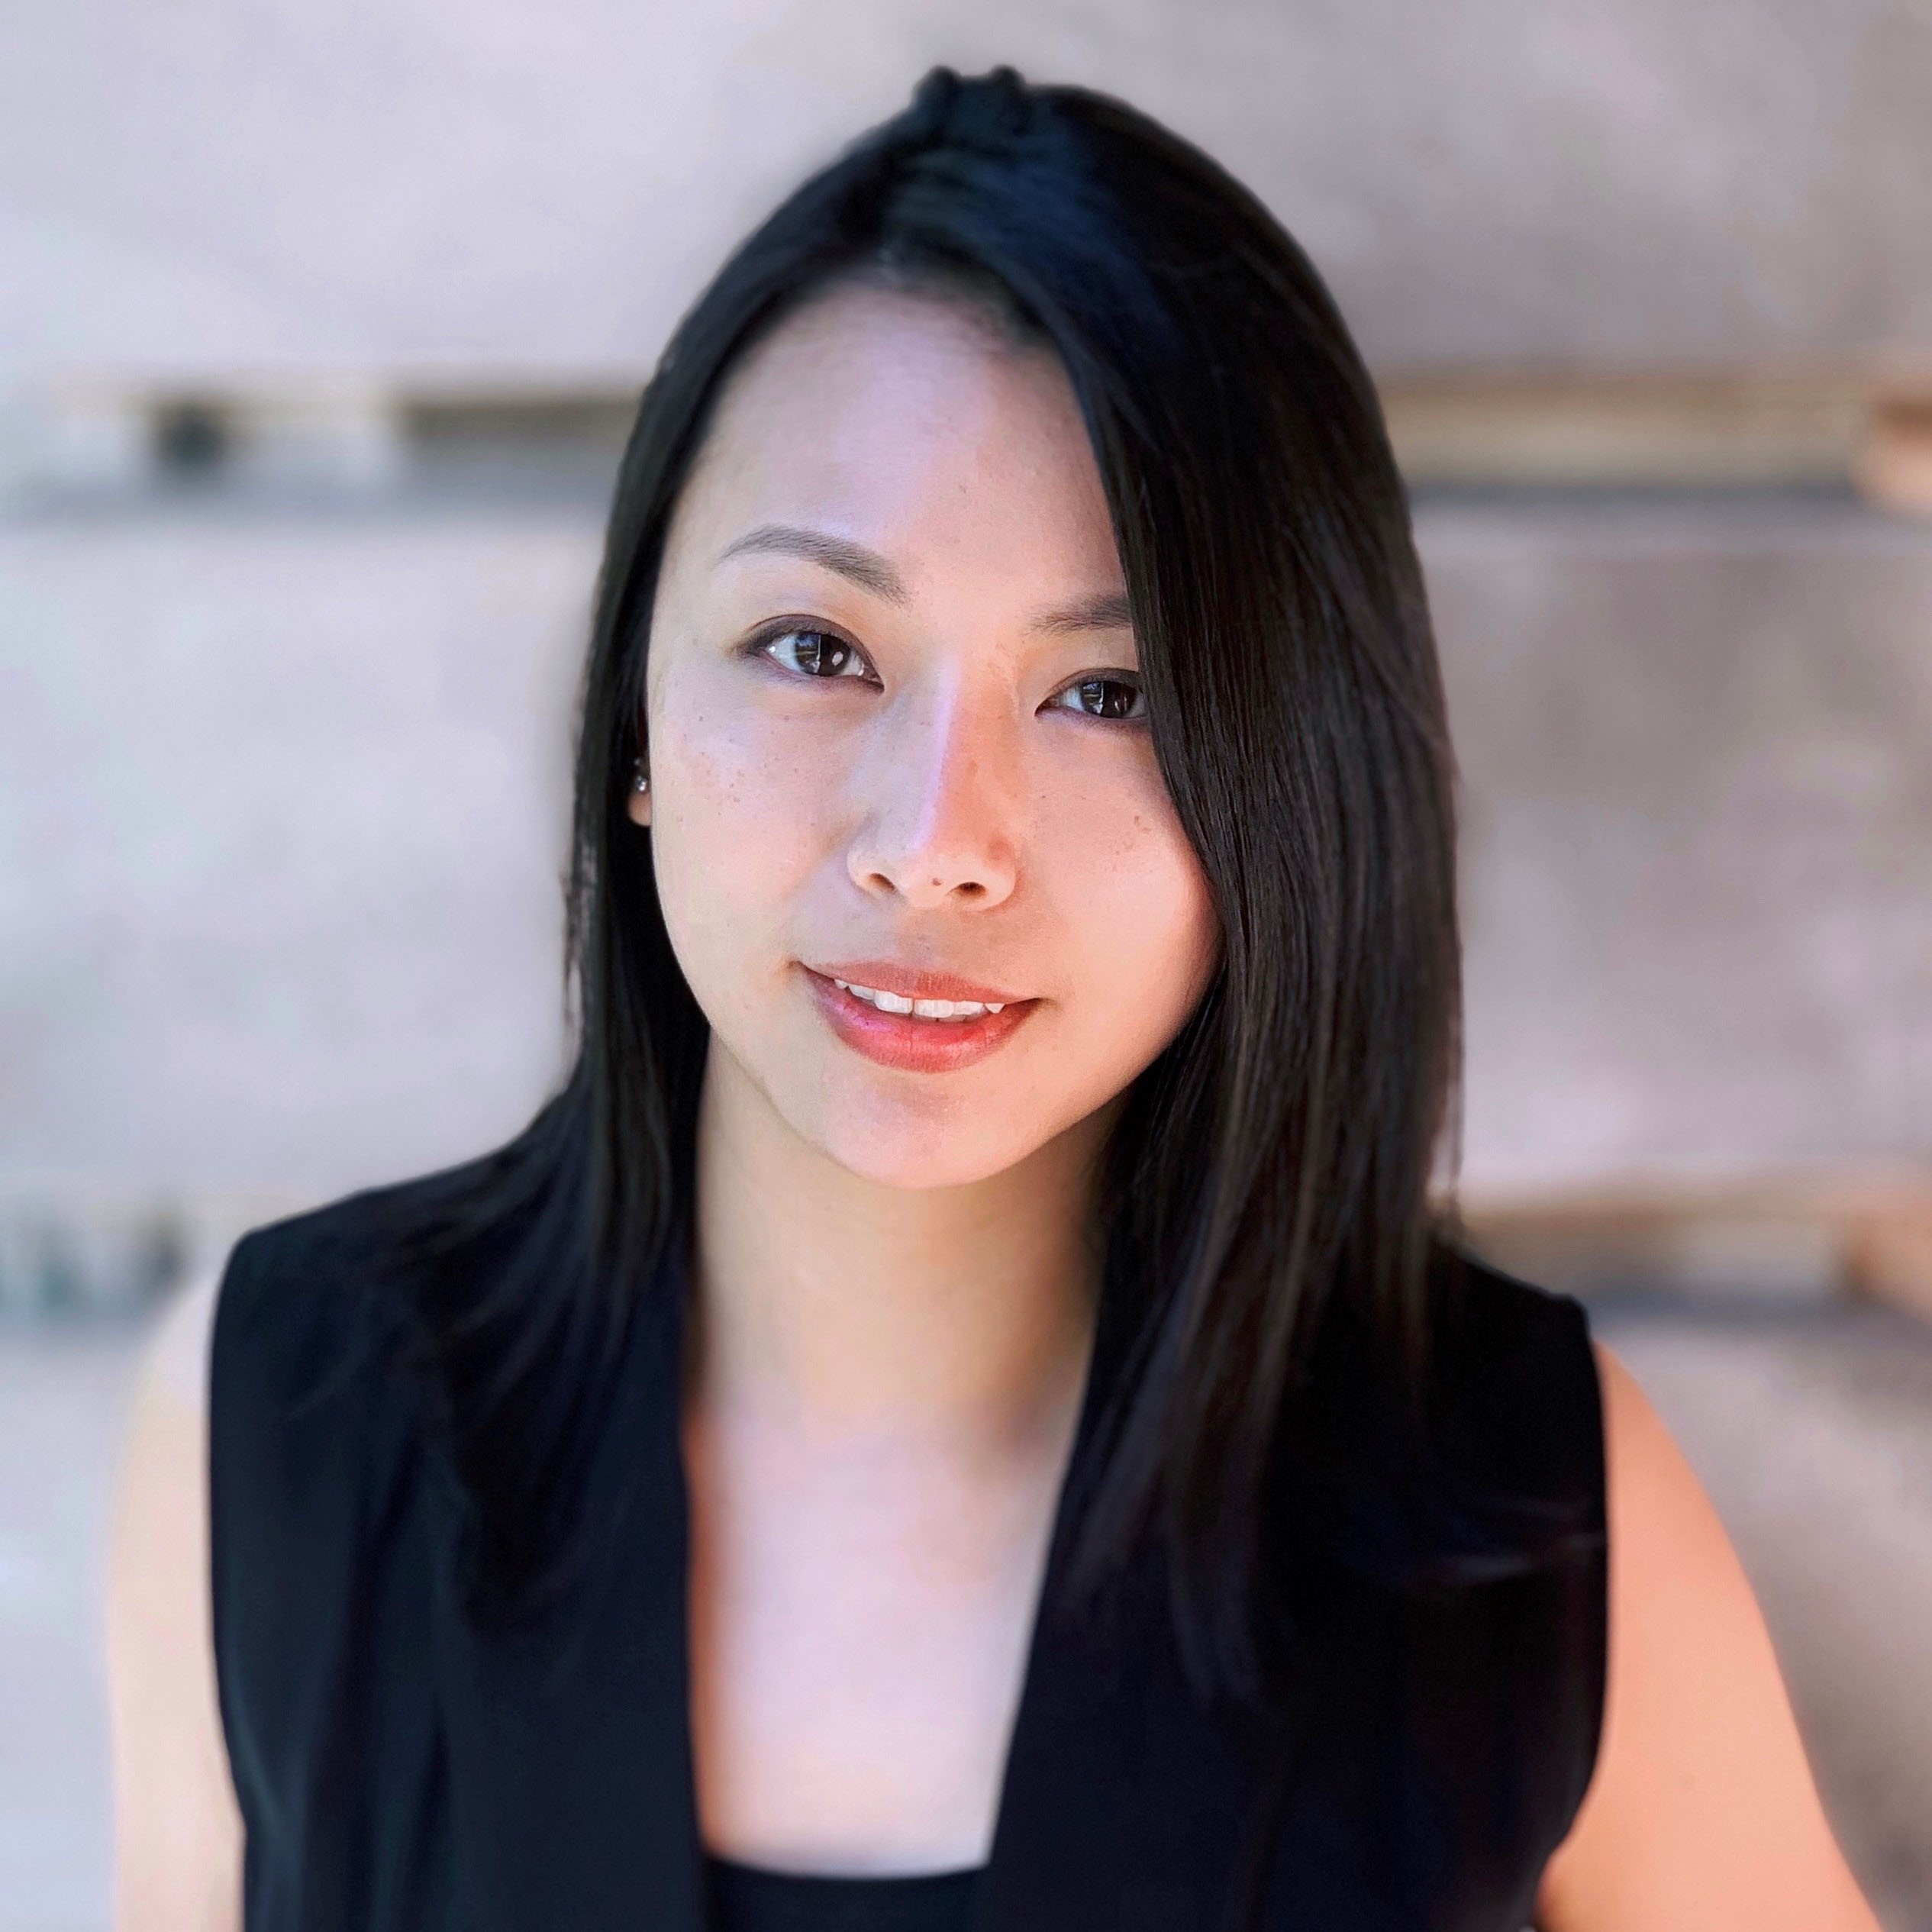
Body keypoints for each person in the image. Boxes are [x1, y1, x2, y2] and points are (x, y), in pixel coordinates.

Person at [108, 63, 1880, 1932]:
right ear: (636, 714)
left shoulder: (1532, 1516)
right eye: (814, 648)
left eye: (1109, 695)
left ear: (1293, 786)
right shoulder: (273, 1436)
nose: (935, 845)